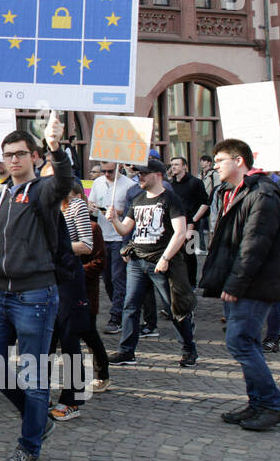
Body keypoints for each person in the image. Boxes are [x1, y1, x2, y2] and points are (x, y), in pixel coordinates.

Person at [0, 115, 73, 461]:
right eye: (8, 155)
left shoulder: (43, 190)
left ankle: (29, 447)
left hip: (35, 295)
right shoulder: (4, 193)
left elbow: (65, 180)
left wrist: (56, 146)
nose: (14, 160)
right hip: (0, 293)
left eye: (20, 154)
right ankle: (37, 419)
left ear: (34, 157)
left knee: (34, 374)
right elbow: (0, 242)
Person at [201, 139, 280, 430]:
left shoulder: (262, 194)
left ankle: (272, 404)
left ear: (239, 161)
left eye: (220, 160)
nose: (215, 166)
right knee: (247, 341)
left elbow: (254, 246)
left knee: (239, 341)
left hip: (255, 285)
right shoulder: (234, 192)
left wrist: (235, 284)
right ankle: (258, 404)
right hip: (243, 282)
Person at [106, 158, 198, 367]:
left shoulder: (171, 199)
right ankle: (126, 351)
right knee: (130, 306)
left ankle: (189, 349)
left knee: (175, 308)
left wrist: (165, 258)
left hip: (161, 263)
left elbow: (180, 232)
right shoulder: (138, 199)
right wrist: (113, 220)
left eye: (143, 174)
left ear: (157, 175)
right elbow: (125, 230)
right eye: (138, 174)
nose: (139, 177)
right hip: (138, 261)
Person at [49, 181, 110, 420]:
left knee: (70, 340)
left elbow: (86, 245)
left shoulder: (75, 206)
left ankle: (72, 400)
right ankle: (42, 395)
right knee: (47, 340)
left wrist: (53, 249)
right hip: (47, 281)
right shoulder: (45, 206)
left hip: (70, 282)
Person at [87, 162, 136, 334]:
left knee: (117, 277)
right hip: (102, 235)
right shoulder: (98, 183)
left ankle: (116, 316)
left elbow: (132, 210)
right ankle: (121, 307)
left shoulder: (129, 185)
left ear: (119, 168)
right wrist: (91, 206)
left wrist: (118, 213)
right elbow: (91, 201)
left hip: (119, 236)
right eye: (104, 171)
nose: (107, 174)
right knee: (107, 278)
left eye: (110, 171)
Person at [168, 156, 210, 287]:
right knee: (175, 254)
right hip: (174, 225)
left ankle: (191, 284)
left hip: (191, 225)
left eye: (176, 164)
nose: (173, 167)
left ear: (184, 166)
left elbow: (205, 203)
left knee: (189, 255)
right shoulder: (170, 184)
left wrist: (194, 220)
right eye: (172, 165)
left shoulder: (195, 182)